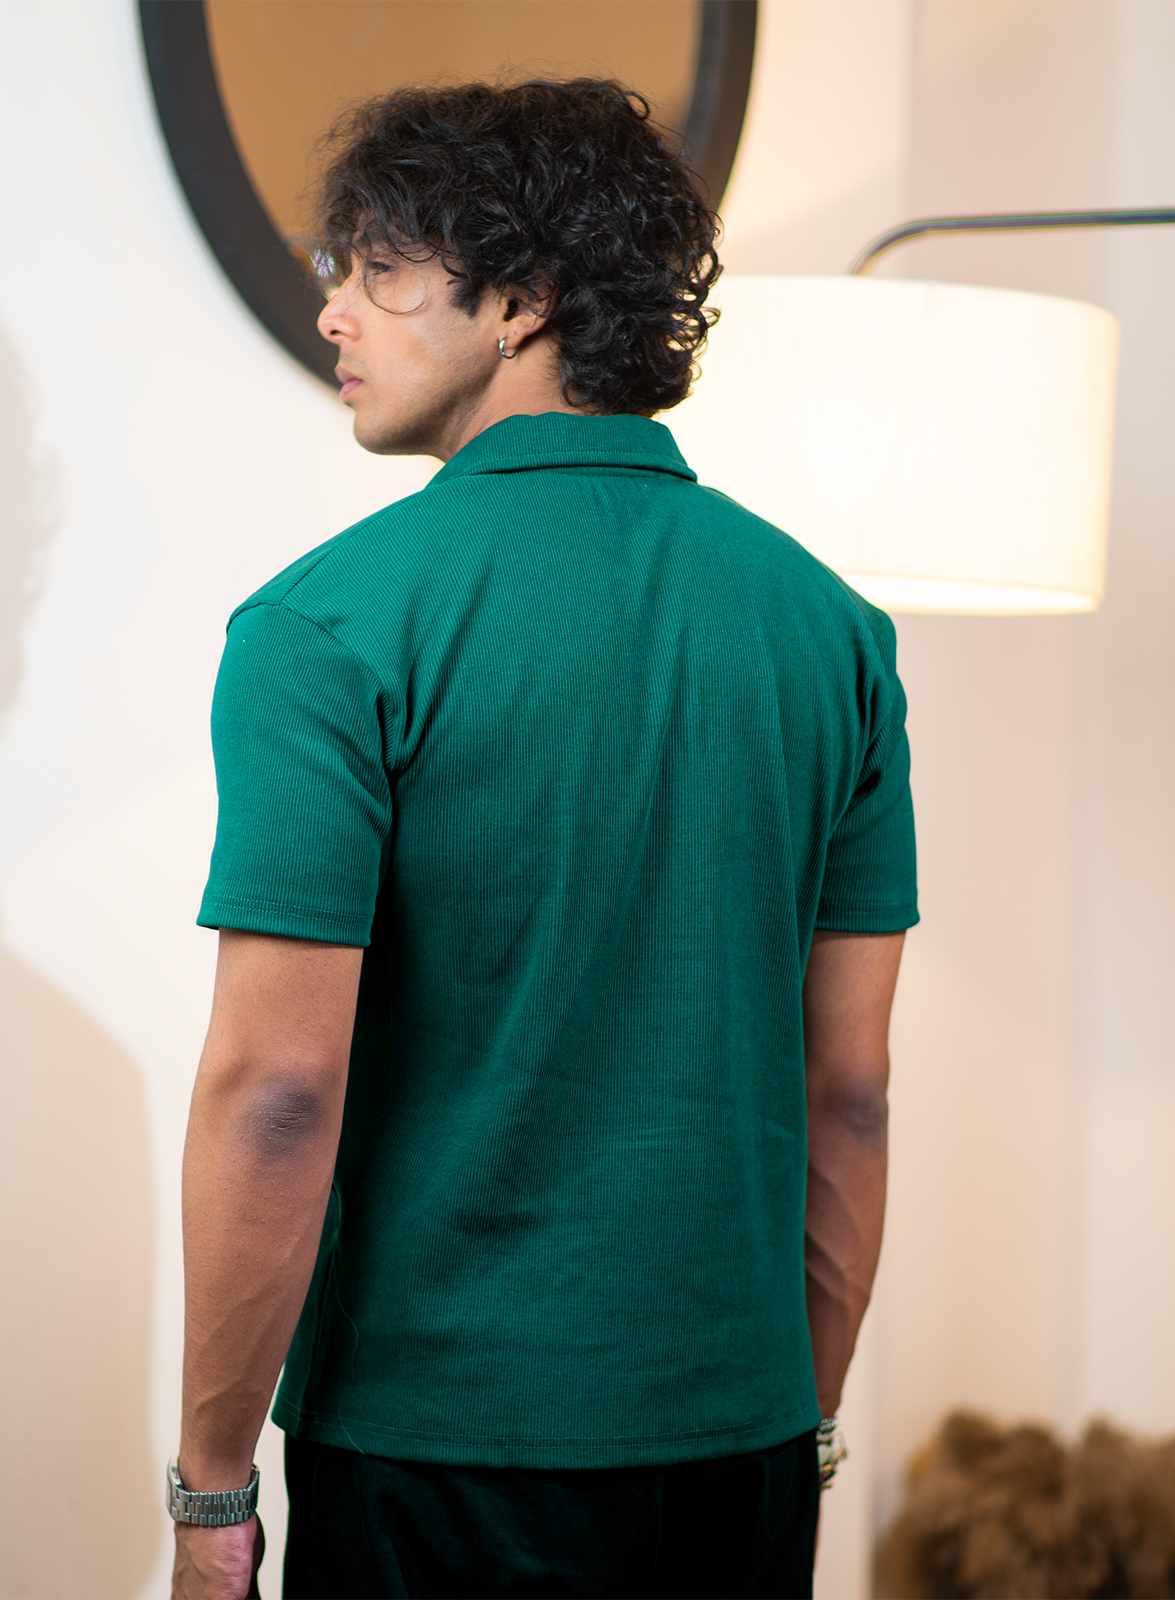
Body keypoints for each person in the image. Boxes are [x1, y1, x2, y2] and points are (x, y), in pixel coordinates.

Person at [171, 80, 915, 1600]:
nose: (335, 312)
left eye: (382, 269)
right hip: (743, 1450)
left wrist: (211, 1494)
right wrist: (807, 1423)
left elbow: (277, 1093)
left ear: (523, 301)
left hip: (436, 1453)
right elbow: (850, 1091)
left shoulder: (327, 626)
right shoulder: (835, 633)